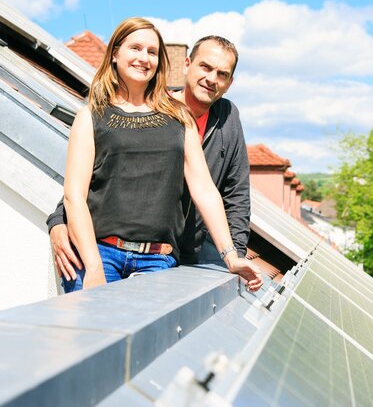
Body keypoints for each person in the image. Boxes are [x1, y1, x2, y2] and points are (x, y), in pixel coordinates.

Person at [58, 17, 261, 292]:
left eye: (152, 52)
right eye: (136, 48)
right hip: (101, 253)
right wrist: (92, 265)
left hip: (158, 259)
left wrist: (231, 255)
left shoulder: (179, 117)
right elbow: (75, 195)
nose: (144, 58)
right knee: (91, 333)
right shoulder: (90, 116)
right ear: (115, 53)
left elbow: (205, 190)